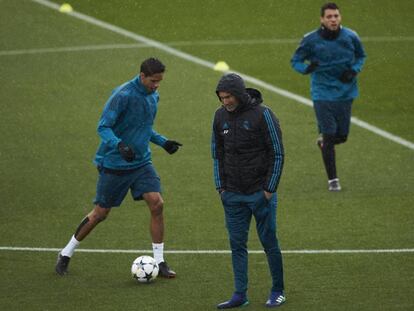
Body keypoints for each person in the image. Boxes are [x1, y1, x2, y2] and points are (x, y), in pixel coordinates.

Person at [55, 57, 182, 278]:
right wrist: (119, 144)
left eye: (159, 81)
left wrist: (164, 142)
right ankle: (66, 253)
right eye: (153, 81)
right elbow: (103, 127)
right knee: (100, 213)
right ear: (142, 76)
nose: (156, 85)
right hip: (115, 163)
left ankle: (160, 262)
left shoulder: (154, 96)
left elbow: (143, 128)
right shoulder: (123, 96)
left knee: (157, 204)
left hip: (142, 162)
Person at [212, 73, 285, 309]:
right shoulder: (219, 116)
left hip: (259, 193)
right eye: (222, 98)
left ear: (240, 94)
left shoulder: (264, 115)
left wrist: (269, 189)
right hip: (232, 195)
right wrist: (220, 187)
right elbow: (217, 154)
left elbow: (277, 152)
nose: (226, 102)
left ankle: (277, 290)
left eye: (229, 97)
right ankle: (240, 294)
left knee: (268, 242)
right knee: (237, 245)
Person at [291, 2, 366, 191]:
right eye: (329, 17)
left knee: (342, 135)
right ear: (322, 19)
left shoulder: (351, 36)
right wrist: (306, 69)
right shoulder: (310, 40)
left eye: (336, 16)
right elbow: (296, 60)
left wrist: (353, 70)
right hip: (322, 92)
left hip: (345, 92)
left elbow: (361, 56)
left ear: (340, 18)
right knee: (330, 133)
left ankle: (324, 143)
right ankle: (333, 180)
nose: (333, 19)